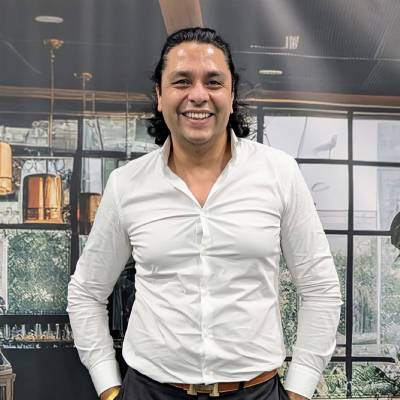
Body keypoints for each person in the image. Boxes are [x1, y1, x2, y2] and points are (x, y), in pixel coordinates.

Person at [67, 27, 342, 400]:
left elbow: (320, 288)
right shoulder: (126, 184)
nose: (198, 95)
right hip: (150, 391)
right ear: (160, 95)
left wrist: (299, 389)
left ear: (231, 93)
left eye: (213, 82)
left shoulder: (279, 173)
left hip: (255, 392)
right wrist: (109, 388)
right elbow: (86, 291)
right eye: (182, 81)